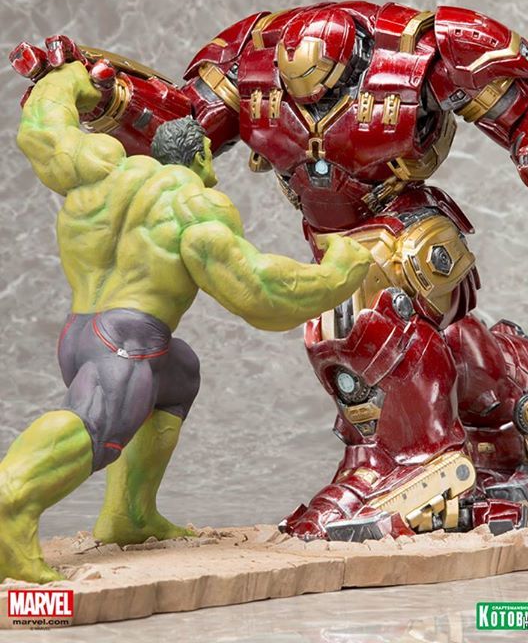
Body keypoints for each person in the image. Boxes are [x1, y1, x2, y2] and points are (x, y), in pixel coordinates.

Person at [10, 1, 528, 540]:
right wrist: (106, 92)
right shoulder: (250, 58)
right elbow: (181, 130)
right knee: (407, 331)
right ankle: (497, 419)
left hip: (400, 218)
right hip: (329, 232)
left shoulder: (420, 50)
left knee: (357, 319)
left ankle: (417, 455)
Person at [0, 59, 371, 583]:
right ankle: (11, 504)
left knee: (178, 372)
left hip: (81, 332)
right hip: (126, 342)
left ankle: (129, 514)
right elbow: (261, 293)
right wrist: (341, 270)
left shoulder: (100, 170)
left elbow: (42, 129)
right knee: (96, 423)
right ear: (200, 157)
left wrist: (70, 81)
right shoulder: (194, 206)